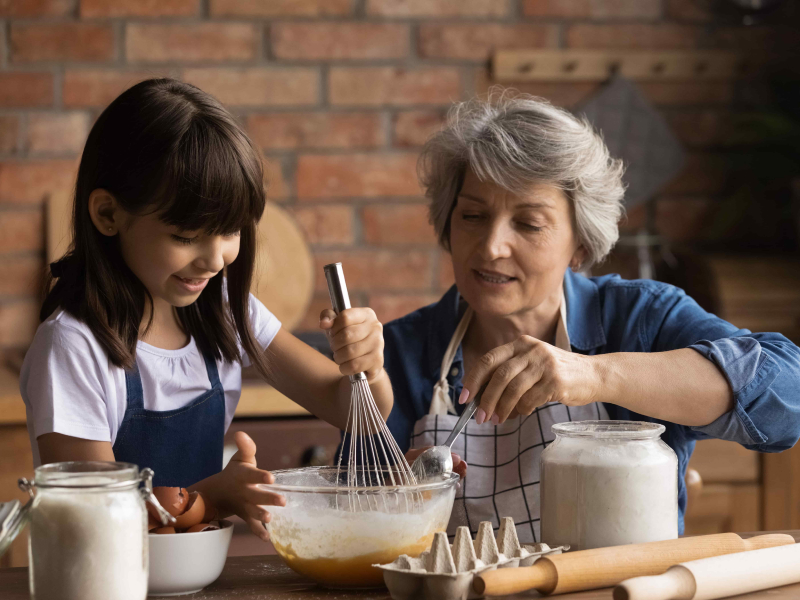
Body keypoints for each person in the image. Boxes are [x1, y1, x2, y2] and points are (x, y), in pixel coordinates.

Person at [386, 91, 800, 543]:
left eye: (528, 223)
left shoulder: (642, 319)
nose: (490, 247)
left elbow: (788, 397)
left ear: (580, 245)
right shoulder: (401, 354)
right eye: (472, 215)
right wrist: (389, 498)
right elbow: (357, 525)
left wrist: (598, 374)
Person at [19, 78, 391, 540]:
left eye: (231, 232)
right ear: (108, 215)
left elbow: (356, 411)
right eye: (185, 236)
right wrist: (212, 499)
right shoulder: (72, 347)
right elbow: (94, 518)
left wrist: (367, 368)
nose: (215, 261)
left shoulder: (227, 312)